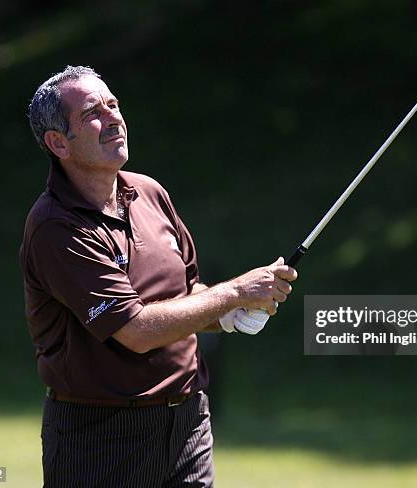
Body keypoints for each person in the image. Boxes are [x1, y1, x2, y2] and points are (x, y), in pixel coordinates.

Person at [19, 65, 298, 487]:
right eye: (93, 112)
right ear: (58, 142)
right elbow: (136, 330)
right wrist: (235, 292)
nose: (113, 117)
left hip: (187, 425)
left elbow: (187, 294)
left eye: (113, 104)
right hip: (101, 439)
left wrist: (229, 313)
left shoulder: (149, 193)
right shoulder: (56, 227)